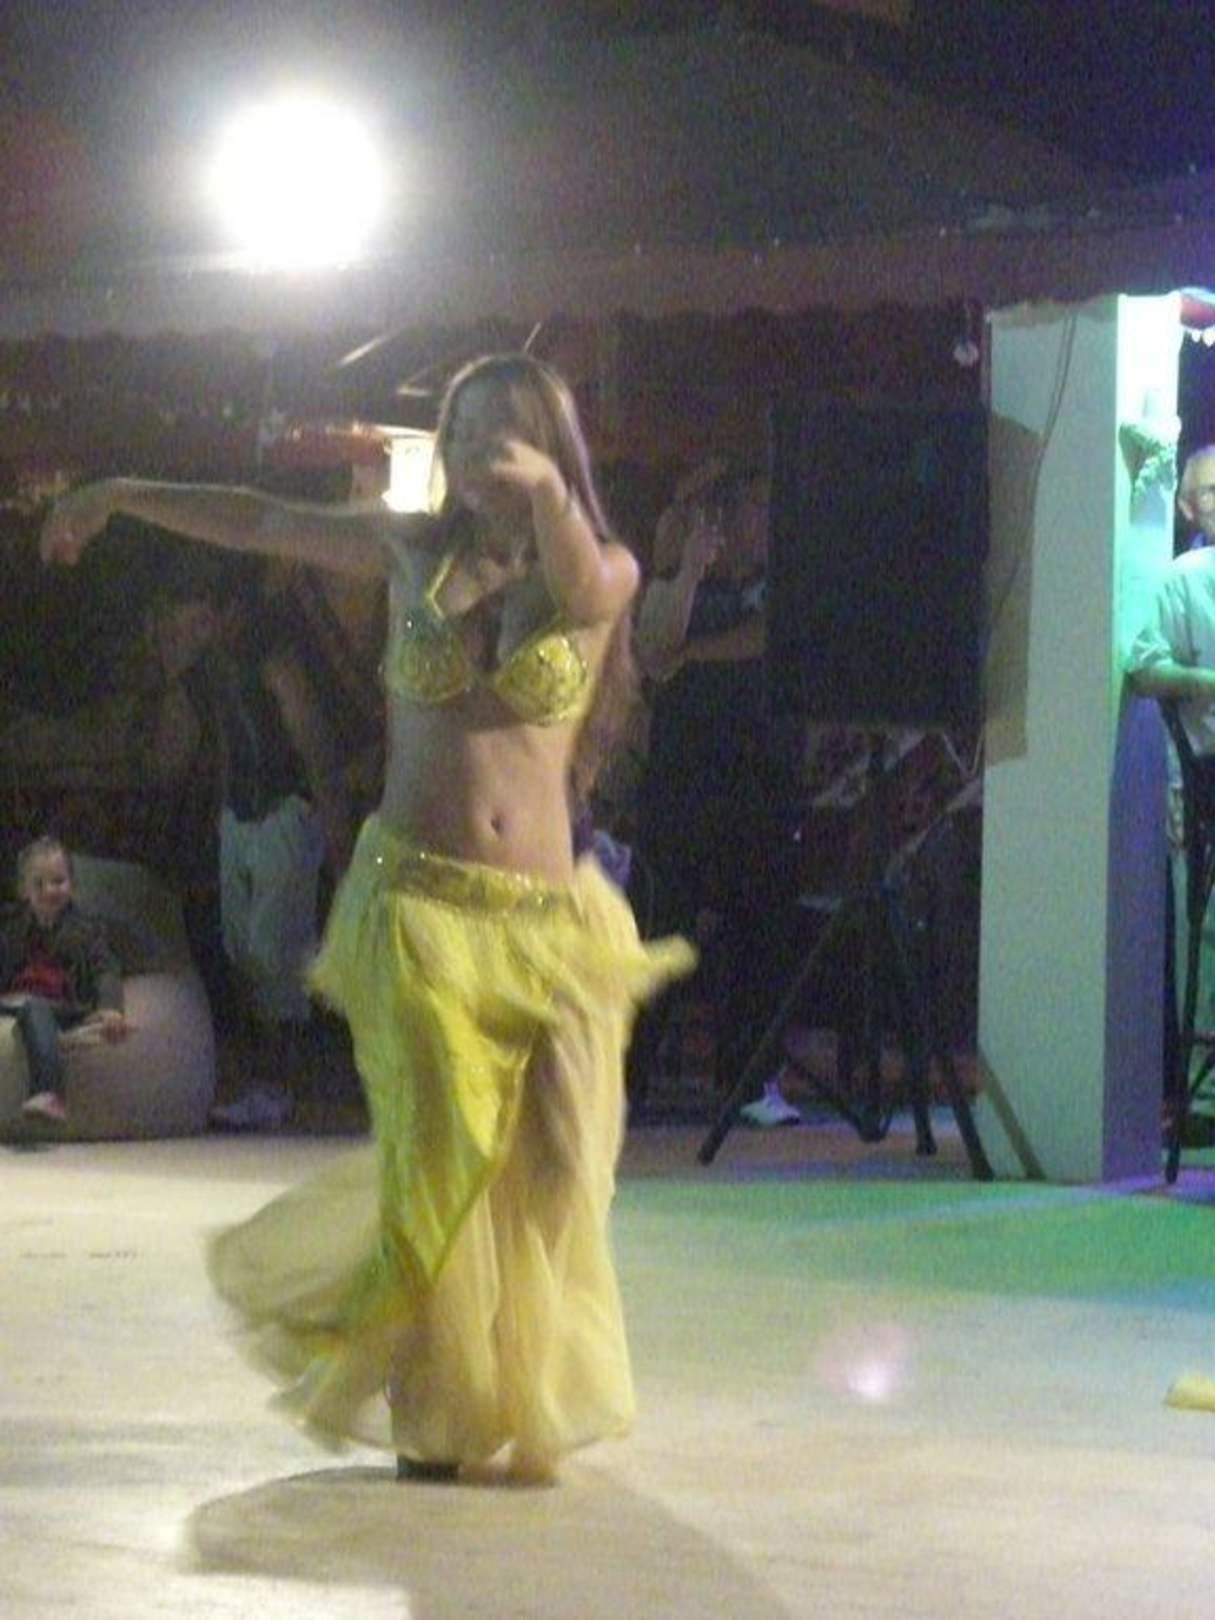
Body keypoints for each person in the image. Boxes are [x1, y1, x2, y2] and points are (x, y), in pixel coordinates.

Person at [41, 352, 693, 1483]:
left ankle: (504, 1377)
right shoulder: (408, 552)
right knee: (440, 1161)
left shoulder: (603, 568)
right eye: (465, 431)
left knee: (559, 1167)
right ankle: (432, 1407)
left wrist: (547, 498)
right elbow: (258, 517)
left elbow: (587, 590)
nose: (483, 453)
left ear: (552, 445)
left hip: (551, 923)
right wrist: (120, 493)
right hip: (420, 909)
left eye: (507, 431)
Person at [629, 460, 804, 1127]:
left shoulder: (779, 588)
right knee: (660, 930)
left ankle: (749, 1082)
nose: (766, 523)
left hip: (760, 784)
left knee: (762, 933)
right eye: (754, 510)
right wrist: (689, 573)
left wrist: (693, 655)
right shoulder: (675, 585)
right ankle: (624, 1078)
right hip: (683, 787)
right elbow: (655, 649)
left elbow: (768, 639)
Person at [1127, 442, 1215, 1141]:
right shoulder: (1183, 580)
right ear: (1187, 508)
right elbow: (1144, 667)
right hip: (1206, 777)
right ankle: (1204, 1097)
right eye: (1211, 492)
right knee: (1204, 927)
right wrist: (1208, 683)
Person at [0, 835, 128, 1123]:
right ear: (23, 891)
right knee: (26, 1005)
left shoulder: (86, 931)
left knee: (34, 1008)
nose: (50, 890)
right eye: (39, 884)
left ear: (72, 885)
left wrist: (111, 1008)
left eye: (58, 881)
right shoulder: (13, 929)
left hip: (62, 1004)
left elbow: (106, 968)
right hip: (13, 1000)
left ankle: (49, 1092)